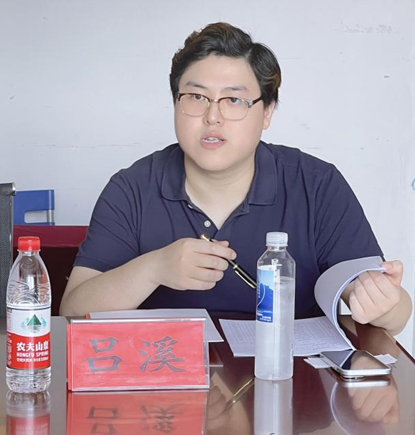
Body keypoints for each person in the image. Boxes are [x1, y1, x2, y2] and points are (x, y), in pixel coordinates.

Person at [60, 22, 412, 335]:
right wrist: (153, 268)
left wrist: (385, 303)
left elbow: (394, 317)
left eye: (233, 100)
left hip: (292, 379)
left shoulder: (317, 185)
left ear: (267, 111)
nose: (213, 116)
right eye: (196, 97)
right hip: (169, 377)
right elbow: (72, 311)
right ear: (175, 103)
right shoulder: (132, 188)